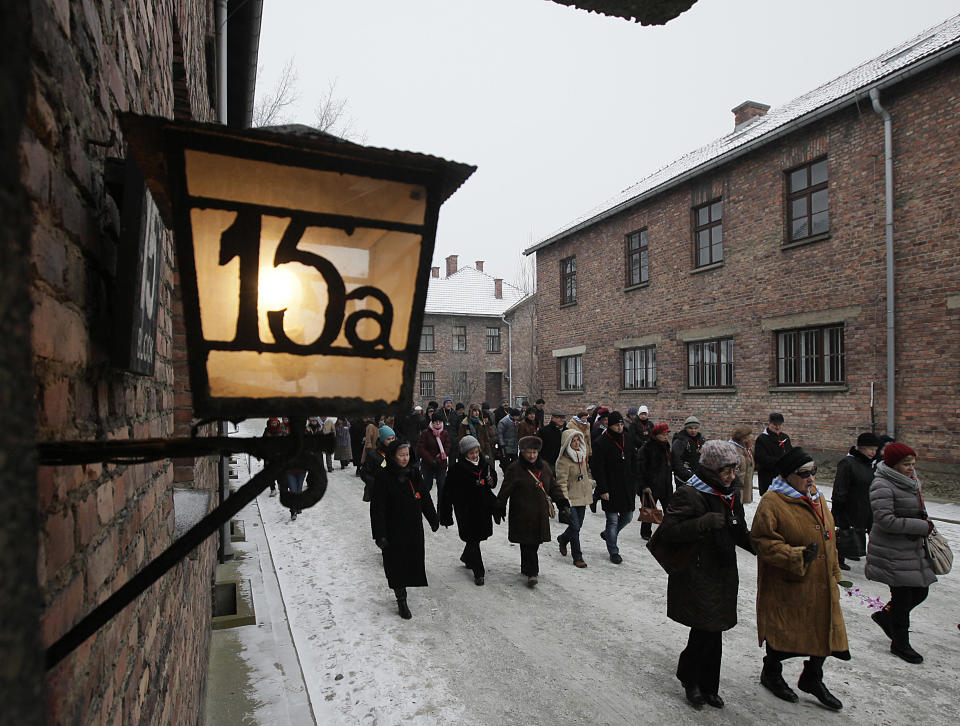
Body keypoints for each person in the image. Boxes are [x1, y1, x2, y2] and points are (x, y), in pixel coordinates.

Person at [658, 441, 754, 709]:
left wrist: (760, 547)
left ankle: (709, 686)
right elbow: (668, 532)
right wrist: (702, 523)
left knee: (715, 629)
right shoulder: (690, 494)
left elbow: (739, 530)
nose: (732, 476)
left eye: (734, 470)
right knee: (706, 628)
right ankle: (691, 680)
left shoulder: (729, 494)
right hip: (696, 571)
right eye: (726, 471)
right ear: (711, 470)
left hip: (723, 570)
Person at [751, 447, 849, 712]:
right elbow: (762, 542)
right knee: (784, 633)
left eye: (814, 472)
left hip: (821, 581)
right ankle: (771, 672)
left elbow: (828, 536)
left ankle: (812, 677)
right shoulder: (773, 502)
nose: (811, 479)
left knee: (823, 629)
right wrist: (796, 556)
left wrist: (834, 570)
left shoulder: (816, 496)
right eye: (804, 473)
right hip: (789, 583)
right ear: (788, 476)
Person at [865, 442, 937, 664]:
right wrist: (920, 527)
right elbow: (885, 520)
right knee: (903, 598)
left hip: (910, 548)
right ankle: (900, 644)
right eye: (906, 464)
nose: (911, 468)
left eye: (913, 463)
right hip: (891, 551)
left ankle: (886, 616)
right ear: (894, 464)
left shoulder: (911, 481)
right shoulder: (882, 485)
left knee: (920, 592)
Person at [370, 439, 440, 619]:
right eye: (401, 455)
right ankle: (401, 599)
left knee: (410, 562)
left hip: (412, 528)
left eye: (407, 455)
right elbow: (377, 509)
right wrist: (380, 535)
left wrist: (433, 518)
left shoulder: (414, 473)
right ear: (393, 456)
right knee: (395, 565)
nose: (405, 459)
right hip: (393, 529)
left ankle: (403, 590)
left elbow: (424, 497)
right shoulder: (383, 477)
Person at [495, 436, 570, 587]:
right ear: (522, 452)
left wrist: (562, 503)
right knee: (528, 542)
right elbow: (505, 490)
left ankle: (526, 566)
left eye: (534, 452)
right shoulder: (515, 468)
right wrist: (499, 507)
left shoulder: (544, 467)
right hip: (521, 513)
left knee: (533, 543)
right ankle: (532, 573)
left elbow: (553, 486)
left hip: (539, 514)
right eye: (528, 452)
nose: (531, 455)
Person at [438, 435, 498, 585]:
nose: (475, 455)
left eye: (476, 452)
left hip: (482, 508)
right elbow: (447, 493)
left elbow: (492, 480)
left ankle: (466, 556)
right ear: (465, 454)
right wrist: (445, 514)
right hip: (465, 510)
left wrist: (492, 481)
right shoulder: (456, 470)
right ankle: (479, 572)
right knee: (472, 538)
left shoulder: (485, 465)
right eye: (471, 453)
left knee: (476, 538)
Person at [831, 432, 880, 570]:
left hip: (865, 505)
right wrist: (838, 509)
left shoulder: (868, 464)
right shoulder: (847, 463)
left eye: (875, 449)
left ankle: (855, 552)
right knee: (844, 532)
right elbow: (840, 488)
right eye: (871, 449)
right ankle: (838, 558)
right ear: (861, 448)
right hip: (850, 505)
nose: (873, 453)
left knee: (864, 530)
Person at [593, 411, 636, 564]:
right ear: (609, 425)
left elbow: (633, 460)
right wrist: (603, 489)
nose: (619, 427)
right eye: (616, 425)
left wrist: (634, 480)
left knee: (628, 517)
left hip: (626, 485)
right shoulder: (601, 442)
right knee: (612, 520)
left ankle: (609, 534)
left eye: (620, 424)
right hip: (610, 486)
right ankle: (613, 550)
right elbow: (598, 469)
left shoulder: (627, 438)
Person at [554, 429, 593, 568]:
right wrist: (564, 501)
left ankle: (563, 538)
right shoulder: (563, 461)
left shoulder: (581, 456)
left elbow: (585, 474)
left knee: (577, 526)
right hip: (570, 498)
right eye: (573, 441)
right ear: (567, 443)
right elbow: (561, 482)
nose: (576, 443)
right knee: (575, 527)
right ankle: (578, 556)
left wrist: (590, 484)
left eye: (578, 440)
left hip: (582, 497)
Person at [637, 422, 673, 541]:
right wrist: (644, 485)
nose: (665, 436)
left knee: (669, 509)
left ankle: (667, 531)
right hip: (651, 484)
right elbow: (641, 468)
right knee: (649, 510)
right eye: (663, 434)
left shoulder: (666, 446)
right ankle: (645, 532)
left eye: (667, 434)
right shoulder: (647, 447)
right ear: (656, 434)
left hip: (665, 484)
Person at [754, 413, 793, 495]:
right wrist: (781, 462)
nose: (778, 427)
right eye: (775, 425)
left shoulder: (785, 437)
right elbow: (761, 459)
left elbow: (790, 453)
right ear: (769, 423)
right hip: (768, 478)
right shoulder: (762, 439)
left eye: (780, 425)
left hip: (784, 478)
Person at [417, 412, 451, 499]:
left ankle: (440, 510)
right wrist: (431, 460)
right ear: (432, 422)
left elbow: (448, 447)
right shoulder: (425, 433)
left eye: (439, 421)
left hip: (441, 464)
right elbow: (421, 448)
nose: (438, 423)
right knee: (427, 486)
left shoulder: (445, 433)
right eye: (436, 421)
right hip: (428, 464)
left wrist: (439, 458)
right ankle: (422, 505)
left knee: (441, 486)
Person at [360, 425, 396, 502]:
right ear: (382, 440)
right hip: (377, 492)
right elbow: (364, 473)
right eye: (388, 439)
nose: (391, 441)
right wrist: (376, 482)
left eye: (393, 438)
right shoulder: (373, 455)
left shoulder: (397, 453)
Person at [672, 416, 704, 486]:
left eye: (696, 428)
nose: (693, 431)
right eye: (690, 428)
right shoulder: (680, 441)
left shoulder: (701, 440)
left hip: (697, 477)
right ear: (686, 428)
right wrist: (688, 474)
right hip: (683, 478)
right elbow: (677, 460)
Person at [729, 424, 755, 505]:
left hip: (745, 486)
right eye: (748, 436)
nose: (751, 438)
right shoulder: (732, 448)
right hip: (735, 486)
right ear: (741, 437)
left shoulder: (747, 448)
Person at [497, 408, 521, 475]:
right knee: (506, 463)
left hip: (514, 446)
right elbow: (500, 433)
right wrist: (502, 444)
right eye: (517, 416)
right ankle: (507, 474)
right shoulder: (503, 421)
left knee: (516, 462)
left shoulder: (516, 421)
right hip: (505, 446)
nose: (518, 418)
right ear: (513, 415)